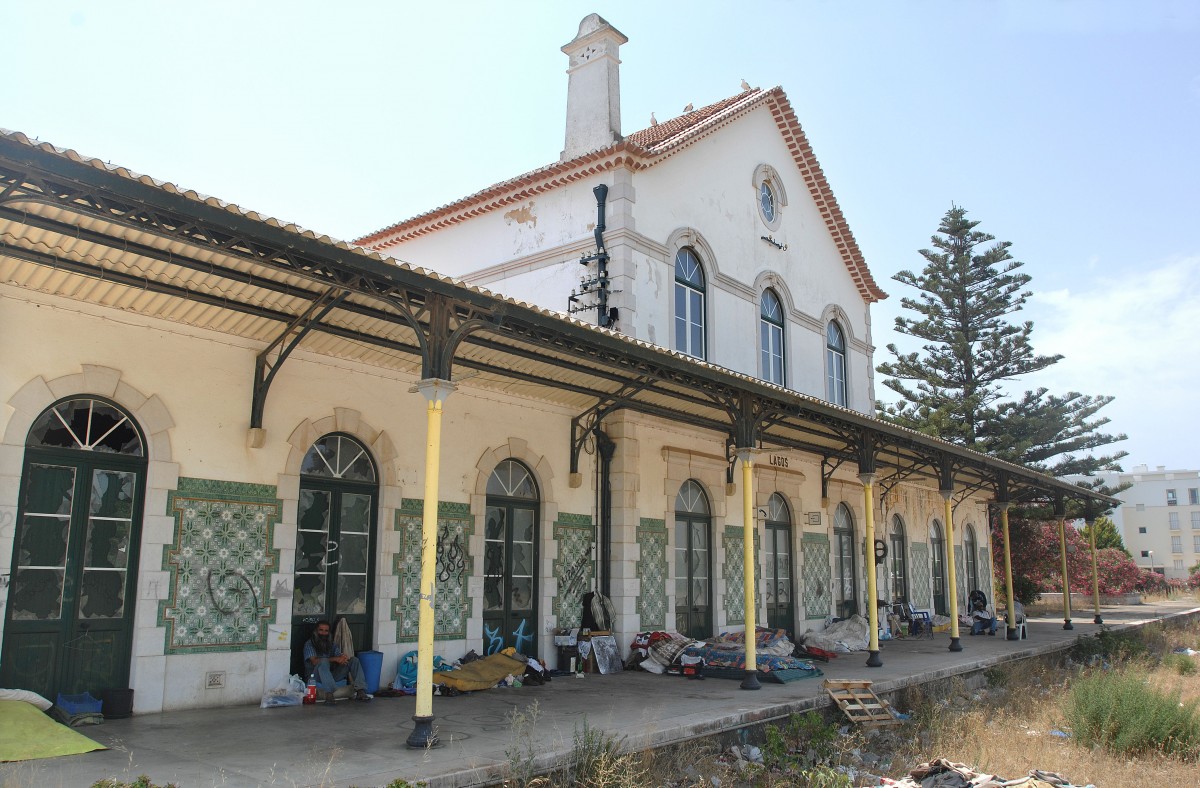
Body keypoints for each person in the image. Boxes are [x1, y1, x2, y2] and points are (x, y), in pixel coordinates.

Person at [302, 620, 371, 702]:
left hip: (331, 675)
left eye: (326, 631)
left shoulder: (331, 644)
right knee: (323, 662)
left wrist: (343, 658)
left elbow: (339, 656)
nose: (323, 633)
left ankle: (360, 691)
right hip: (314, 677)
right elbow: (314, 661)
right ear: (316, 631)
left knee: (353, 660)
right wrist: (335, 659)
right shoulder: (309, 644)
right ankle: (329, 694)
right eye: (321, 630)